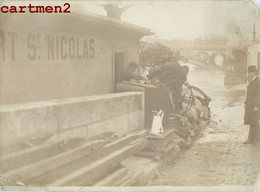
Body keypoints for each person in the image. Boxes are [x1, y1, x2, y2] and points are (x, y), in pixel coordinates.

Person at [244, 65, 260, 144]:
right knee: (253, 121)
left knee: (254, 121)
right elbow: (249, 93)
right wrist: (246, 103)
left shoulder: (258, 82)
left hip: (255, 106)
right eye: (248, 73)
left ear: (254, 73)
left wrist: (257, 106)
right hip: (251, 105)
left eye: (250, 73)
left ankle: (250, 138)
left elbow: (258, 95)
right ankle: (256, 138)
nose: (248, 74)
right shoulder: (253, 81)